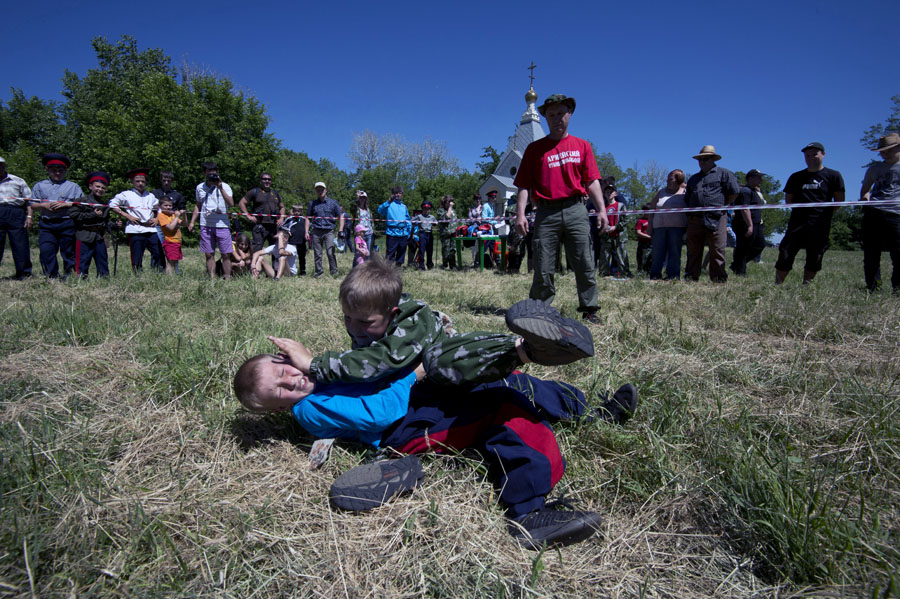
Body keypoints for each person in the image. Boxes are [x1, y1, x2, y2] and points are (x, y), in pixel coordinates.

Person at [234, 349, 636, 549]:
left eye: (283, 370)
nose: (291, 381)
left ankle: (590, 410)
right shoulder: (309, 410)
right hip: (406, 428)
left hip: (418, 398)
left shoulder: (323, 370)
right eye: (281, 392)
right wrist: (416, 373)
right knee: (506, 408)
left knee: (507, 377)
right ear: (280, 408)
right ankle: (528, 512)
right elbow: (379, 413)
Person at [267, 257, 596, 392]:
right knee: (526, 393)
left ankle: (531, 347)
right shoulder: (369, 324)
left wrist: (315, 364)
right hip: (440, 385)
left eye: (364, 322)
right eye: (347, 319)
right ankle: (580, 401)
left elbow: (378, 361)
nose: (354, 329)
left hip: (461, 369)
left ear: (393, 312)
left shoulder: (412, 323)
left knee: (437, 361)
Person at [513, 94, 609, 323]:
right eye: (552, 115)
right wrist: (520, 215)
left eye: (561, 113)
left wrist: (602, 210)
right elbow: (524, 184)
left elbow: (592, 181)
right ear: (546, 117)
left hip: (576, 209)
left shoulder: (582, 146)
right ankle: (539, 309)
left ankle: (590, 309)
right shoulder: (535, 150)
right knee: (543, 264)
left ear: (570, 114)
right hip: (546, 212)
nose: (557, 118)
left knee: (584, 261)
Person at [775, 143, 846, 285]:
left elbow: (839, 200)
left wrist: (824, 214)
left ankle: (806, 285)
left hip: (820, 224)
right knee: (786, 253)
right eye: (807, 155)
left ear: (823, 154)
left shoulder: (833, 175)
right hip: (797, 223)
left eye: (814, 154)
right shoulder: (796, 177)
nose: (811, 157)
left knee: (815, 255)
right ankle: (777, 284)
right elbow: (789, 200)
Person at [683, 146, 740, 283]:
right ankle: (691, 278)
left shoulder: (724, 173)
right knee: (693, 250)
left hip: (716, 217)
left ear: (713, 159)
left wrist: (721, 206)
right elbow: (688, 197)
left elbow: (734, 192)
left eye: (706, 159)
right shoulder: (693, 179)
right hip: (695, 218)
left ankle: (718, 278)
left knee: (717, 249)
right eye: (700, 159)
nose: (702, 161)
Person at [31, 153, 83, 279]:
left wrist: (65, 205)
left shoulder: (73, 186)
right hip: (47, 224)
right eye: (54, 170)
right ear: (47, 170)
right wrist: (44, 205)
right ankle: (50, 275)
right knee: (46, 250)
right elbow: (32, 205)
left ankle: (69, 275)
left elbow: (81, 204)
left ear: (65, 171)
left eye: (61, 170)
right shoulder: (39, 186)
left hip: (67, 222)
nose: (57, 173)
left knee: (68, 251)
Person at [859, 133, 900, 293]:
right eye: (882, 150)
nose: (885, 153)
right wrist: (865, 199)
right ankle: (873, 288)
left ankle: (897, 288)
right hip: (874, 214)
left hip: (896, 214)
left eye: (890, 149)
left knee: (898, 254)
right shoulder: (874, 169)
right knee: (871, 255)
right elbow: (865, 190)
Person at [109, 167, 163, 273]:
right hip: (135, 229)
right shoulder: (126, 194)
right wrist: (127, 216)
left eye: (143, 181)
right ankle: (138, 275)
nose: (140, 183)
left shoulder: (150, 195)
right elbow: (112, 204)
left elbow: (160, 206)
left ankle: (158, 273)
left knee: (158, 253)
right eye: (137, 181)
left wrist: (157, 218)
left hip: (150, 229)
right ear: (132, 182)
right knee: (137, 256)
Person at [189, 162, 235, 279]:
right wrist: (192, 222)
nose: (212, 174)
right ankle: (212, 279)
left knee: (225, 254)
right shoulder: (200, 187)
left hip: (222, 225)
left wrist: (220, 187)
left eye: (214, 172)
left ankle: (227, 278)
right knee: (209, 254)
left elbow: (231, 203)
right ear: (205, 173)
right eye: (209, 172)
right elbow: (198, 205)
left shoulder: (225, 186)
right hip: (206, 224)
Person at [69, 171, 112, 279]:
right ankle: (81, 280)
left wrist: (115, 225)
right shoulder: (81, 201)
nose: (100, 189)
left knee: (102, 260)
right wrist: (92, 214)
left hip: (99, 237)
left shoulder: (105, 204)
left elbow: (105, 221)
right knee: (83, 261)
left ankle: (104, 280)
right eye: (98, 186)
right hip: (84, 235)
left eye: (103, 188)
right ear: (90, 186)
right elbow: (73, 215)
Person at [647, 170, 688, 280]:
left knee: (674, 253)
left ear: (679, 180)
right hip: (659, 227)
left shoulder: (685, 192)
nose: (668, 181)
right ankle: (655, 275)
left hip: (677, 228)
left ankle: (672, 276)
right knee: (657, 253)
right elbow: (652, 209)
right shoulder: (661, 192)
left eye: (671, 179)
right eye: (668, 179)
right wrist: (649, 227)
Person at [0, 156, 34, 280]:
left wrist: (29, 216)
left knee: (20, 244)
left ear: (4, 166)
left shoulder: (18, 181)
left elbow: (29, 201)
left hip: (16, 213)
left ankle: (24, 273)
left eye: (1, 165)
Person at [730, 169, 767, 276]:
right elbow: (745, 209)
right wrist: (749, 225)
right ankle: (740, 272)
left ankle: (736, 265)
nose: (760, 179)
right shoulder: (745, 191)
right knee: (743, 248)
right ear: (750, 178)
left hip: (757, 223)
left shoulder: (755, 191)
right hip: (745, 224)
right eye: (758, 177)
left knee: (760, 245)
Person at [150, 170, 187, 272]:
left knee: (173, 250)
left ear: (172, 181)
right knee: (157, 249)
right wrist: (154, 218)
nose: (166, 182)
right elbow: (150, 209)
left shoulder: (177, 195)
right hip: (157, 225)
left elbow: (181, 209)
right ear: (161, 180)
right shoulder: (154, 193)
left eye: (168, 181)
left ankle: (173, 272)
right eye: (164, 180)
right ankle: (156, 270)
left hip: (172, 224)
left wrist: (181, 215)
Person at [238, 172, 284, 252]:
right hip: (259, 226)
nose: (267, 181)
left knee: (275, 249)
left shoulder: (275, 193)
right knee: (257, 249)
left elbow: (282, 207)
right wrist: (248, 216)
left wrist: (281, 218)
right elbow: (241, 203)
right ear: (260, 181)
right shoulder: (255, 192)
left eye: (269, 179)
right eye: (264, 179)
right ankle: (253, 264)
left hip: (273, 226)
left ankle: (274, 265)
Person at [306, 182, 344, 277]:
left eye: (322, 189)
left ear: (326, 190)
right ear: (316, 191)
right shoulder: (312, 204)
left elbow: (341, 216)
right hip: (316, 231)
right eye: (318, 190)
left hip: (329, 231)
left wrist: (340, 230)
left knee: (330, 252)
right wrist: (306, 231)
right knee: (317, 254)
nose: (320, 191)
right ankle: (319, 273)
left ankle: (334, 272)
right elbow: (308, 218)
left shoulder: (333, 203)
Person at [596, 182, 631, 278]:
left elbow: (626, 219)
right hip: (606, 236)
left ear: (615, 193)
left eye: (611, 191)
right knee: (604, 256)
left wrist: (616, 227)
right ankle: (604, 275)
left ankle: (625, 274)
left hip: (619, 236)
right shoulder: (603, 208)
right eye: (607, 191)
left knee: (622, 256)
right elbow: (599, 220)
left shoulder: (621, 206)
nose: (609, 193)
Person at [378, 186, 411, 267]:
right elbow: (380, 211)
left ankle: (398, 269)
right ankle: (387, 270)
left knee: (401, 253)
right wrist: (388, 201)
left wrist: (408, 232)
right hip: (392, 233)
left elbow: (408, 219)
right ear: (393, 194)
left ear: (402, 194)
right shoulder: (389, 204)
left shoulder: (404, 206)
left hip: (403, 234)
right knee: (390, 254)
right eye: (396, 193)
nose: (398, 195)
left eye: (400, 193)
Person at [157, 197, 184, 275]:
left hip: (177, 242)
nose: (168, 207)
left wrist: (184, 215)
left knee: (175, 261)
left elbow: (184, 224)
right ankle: (169, 278)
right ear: (160, 206)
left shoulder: (172, 215)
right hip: (170, 241)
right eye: (165, 205)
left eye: (170, 205)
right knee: (171, 261)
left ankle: (173, 276)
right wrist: (176, 217)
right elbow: (171, 228)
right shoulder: (161, 215)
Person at [280, 204, 308, 276]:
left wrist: (307, 234)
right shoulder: (290, 219)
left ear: (301, 211)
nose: (297, 213)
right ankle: (290, 271)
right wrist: (287, 231)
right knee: (291, 257)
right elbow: (282, 226)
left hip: (302, 241)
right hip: (292, 241)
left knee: (302, 257)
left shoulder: (304, 219)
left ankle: (302, 271)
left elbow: (308, 227)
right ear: (292, 211)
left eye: (298, 211)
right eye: (295, 211)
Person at [435, 194, 457, 270]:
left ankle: (453, 265)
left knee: (453, 250)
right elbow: (446, 217)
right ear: (445, 202)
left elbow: (455, 221)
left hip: (453, 233)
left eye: (452, 201)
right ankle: (445, 265)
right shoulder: (440, 210)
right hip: (445, 233)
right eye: (449, 202)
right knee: (446, 249)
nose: (451, 203)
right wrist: (450, 207)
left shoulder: (453, 211)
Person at [413, 201, 437, 270]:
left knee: (430, 250)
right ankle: (422, 266)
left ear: (430, 209)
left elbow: (435, 223)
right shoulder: (419, 216)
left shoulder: (432, 217)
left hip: (429, 234)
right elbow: (411, 221)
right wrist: (415, 223)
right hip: (422, 234)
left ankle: (429, 265)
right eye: (425, 209)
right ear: (422, 209)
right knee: (422, 250)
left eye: (428, 209)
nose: (426, 210)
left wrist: (435, 223)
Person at [353, 190, 374, 265]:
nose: (362, 199)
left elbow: (371, 222)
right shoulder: (357, 209)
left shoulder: (368, 210)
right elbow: (352, 207)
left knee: (367, 253)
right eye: (361, 198)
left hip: (369, 233)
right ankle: (355, 269)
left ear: (366, 199)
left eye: (364, 198)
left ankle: (366, 270)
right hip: (359, 234)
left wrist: (373, 231)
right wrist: (357, 198)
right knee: (358, 253)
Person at [634, 205, 652, 275]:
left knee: (650, 259)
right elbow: (638, 232)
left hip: (652, 244)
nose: (646, 213)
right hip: (643, 244)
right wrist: (648, 237)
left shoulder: (653, 220)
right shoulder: (640, 221)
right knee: (642, 259)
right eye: (645, 211)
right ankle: (640, 272)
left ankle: (648, 272)